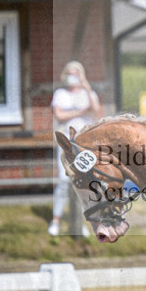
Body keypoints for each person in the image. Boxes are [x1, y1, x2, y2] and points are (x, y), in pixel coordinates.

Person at [49, 61, 103, 236]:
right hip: (67, 145)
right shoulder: (60, 94)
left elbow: (96, 111)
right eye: (69, 73)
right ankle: (56, 220)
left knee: (84, 183)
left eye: (75, 73)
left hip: (84, 145)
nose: (72, 77)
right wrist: (80, 112)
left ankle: (80, 223)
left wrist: (86, 86)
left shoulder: (88, 93)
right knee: (64, 182)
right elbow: (59, 114)